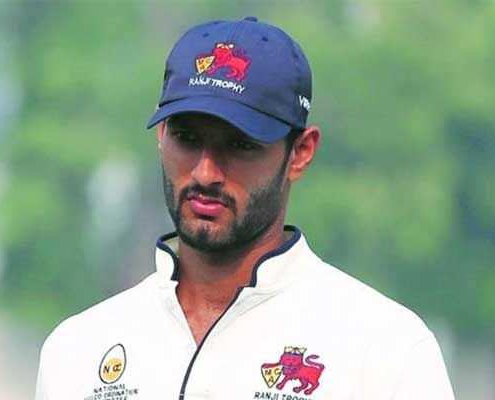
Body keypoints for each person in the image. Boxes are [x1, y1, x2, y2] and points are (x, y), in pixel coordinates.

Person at [35, 17, 455, 400]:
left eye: (240, 145)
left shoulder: (384, 351)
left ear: (301, 152)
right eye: (187, 138)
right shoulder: (78, 350)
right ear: (161, 134)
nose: (205, 172)